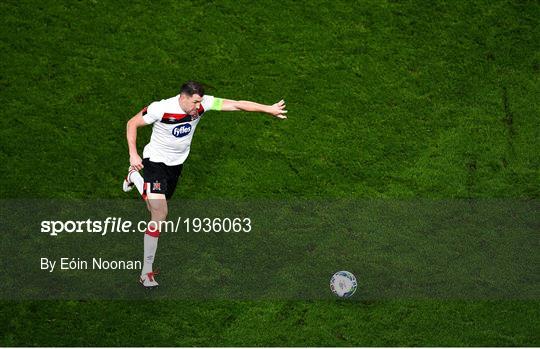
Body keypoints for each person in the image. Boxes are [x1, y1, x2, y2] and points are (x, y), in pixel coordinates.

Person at [123, 81, 287, 287]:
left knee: (153, 207)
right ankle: (146, 272)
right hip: (155, 163)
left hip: (176, 167)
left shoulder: (203, 104)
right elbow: (132, 123)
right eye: (194, 102)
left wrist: (268, 109)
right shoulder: (160, 108)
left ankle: (135, 177)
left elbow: (236, 104)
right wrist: (133, 154)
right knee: (160, 214)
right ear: (182, 97)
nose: (197, 107)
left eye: (199, 102)